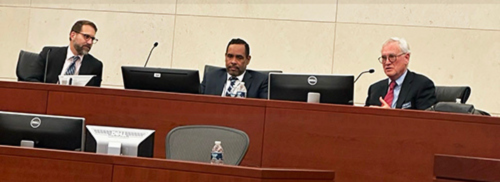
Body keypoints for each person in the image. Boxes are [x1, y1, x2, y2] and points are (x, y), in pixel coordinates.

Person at [365, 37, 437, 109]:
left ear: (406, 58)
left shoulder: (422, 85)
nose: (387, 62)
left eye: (392, 57)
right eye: (384, 58)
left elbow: (424, 119)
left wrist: (389, 115)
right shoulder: (375, 89)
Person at [27, 20, 103, 87]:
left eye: (92, 39)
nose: (90, 42)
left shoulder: (95, 66)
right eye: (86, 36)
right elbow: (31, 80)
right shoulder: (49, 54)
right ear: (72, 35)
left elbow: (94, 96)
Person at [200, 38, 268, 99]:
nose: (233, 61)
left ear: (248, 59)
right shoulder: (210, 77)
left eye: (239, 57)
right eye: (230, 56)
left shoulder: (260, 82)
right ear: (225, 57)